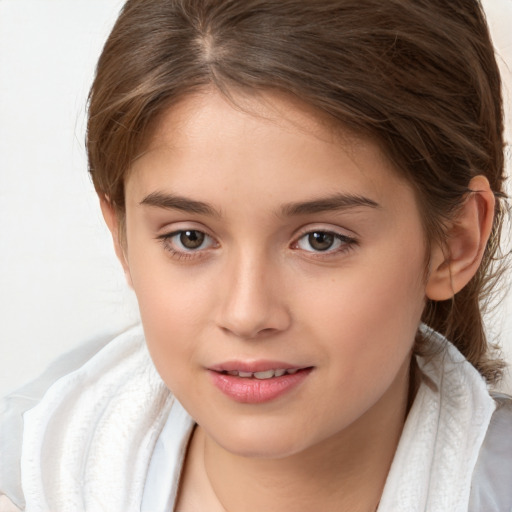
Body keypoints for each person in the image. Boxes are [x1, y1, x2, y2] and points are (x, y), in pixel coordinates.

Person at [1, 0, 511, 510]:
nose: (246, 314)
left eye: (321, 240)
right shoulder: (32, 466)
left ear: (454, 243)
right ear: (123, 237)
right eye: (190, 238)